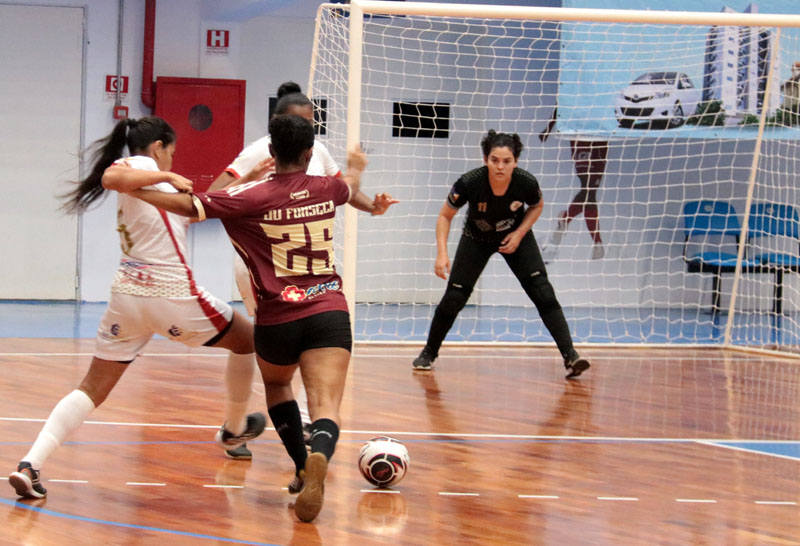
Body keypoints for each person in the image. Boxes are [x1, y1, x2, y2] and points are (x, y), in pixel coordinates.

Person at [126, 114, 398, 523]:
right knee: (325, 406)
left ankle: (302, 465)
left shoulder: (250, 196)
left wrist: (139, 189)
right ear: (310, 155)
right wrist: (357, 165)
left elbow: (190, 205)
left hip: (277, 316)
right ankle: (321, 452)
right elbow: (351, 188)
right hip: (328, 310)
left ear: (272, 152)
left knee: (276, 385)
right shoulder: (329, 187)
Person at [8, 117, 267, 500]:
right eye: (172, 153)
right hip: (169, 292)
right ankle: (233, 429)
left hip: (128, 297)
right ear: (159, 146)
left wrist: (246, 182)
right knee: (248, 340)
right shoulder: (141, 168)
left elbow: (201, 208)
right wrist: (170, 178)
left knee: (92, 388)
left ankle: (31, 464)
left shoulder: (153, 184)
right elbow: (111, 179)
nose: (171, 162)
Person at [208, 82, 341, 449]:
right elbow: (217, 192)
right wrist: (250, 181)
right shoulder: (256, 152)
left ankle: (245, 428)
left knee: (296, 342)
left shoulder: (319, 152)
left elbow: (339, 188)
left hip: (304, 263)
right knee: (271, 346)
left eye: (312, 123)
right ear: (277, 125)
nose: (307, 130)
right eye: (301, 122)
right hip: (263, 267)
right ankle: (256, 427)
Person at [411, 129, 590, 380]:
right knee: (454, 296)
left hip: (514, 237)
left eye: (507, 161)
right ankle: (428, 353)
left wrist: (519, 234)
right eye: (494, 160)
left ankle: (571, 356)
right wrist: (442, 253)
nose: (500, 167)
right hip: (476, 238)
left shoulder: (526, 182)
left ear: (515, 162)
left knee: (542, 291)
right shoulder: (469, 182)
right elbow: (445, 216)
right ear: (485, 160)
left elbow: (537, 206)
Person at [539, 107, 608, 261]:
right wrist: (548, 128)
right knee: (588, 188)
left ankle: (566, 219)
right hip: (580, 135)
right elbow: (562, 101)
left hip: (601, 134)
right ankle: (597, 242)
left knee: (591, 189)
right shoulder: (578, 84)